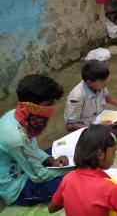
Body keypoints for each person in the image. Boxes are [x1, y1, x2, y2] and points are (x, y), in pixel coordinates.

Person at [0, 75, 70, 206]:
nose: (52, 108)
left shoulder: (18, 116)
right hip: (17, 186)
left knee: (60, 150)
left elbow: (32, 149)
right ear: (31, 106)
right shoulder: (16, 137)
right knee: (71, 183)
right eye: (48, 104)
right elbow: (38, 177)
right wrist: (71, 169)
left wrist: (51, 160)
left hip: (27, 163)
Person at [64, 60, 117, 137]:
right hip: (87, 127)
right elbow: (70, 126)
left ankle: (108, 133)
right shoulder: (77, 96)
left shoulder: (99, 85)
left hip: (100, 118)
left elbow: (107, 97)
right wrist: (97, 127)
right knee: (107, 137)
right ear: (89, 82)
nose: (106, 83)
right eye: (103, 81)